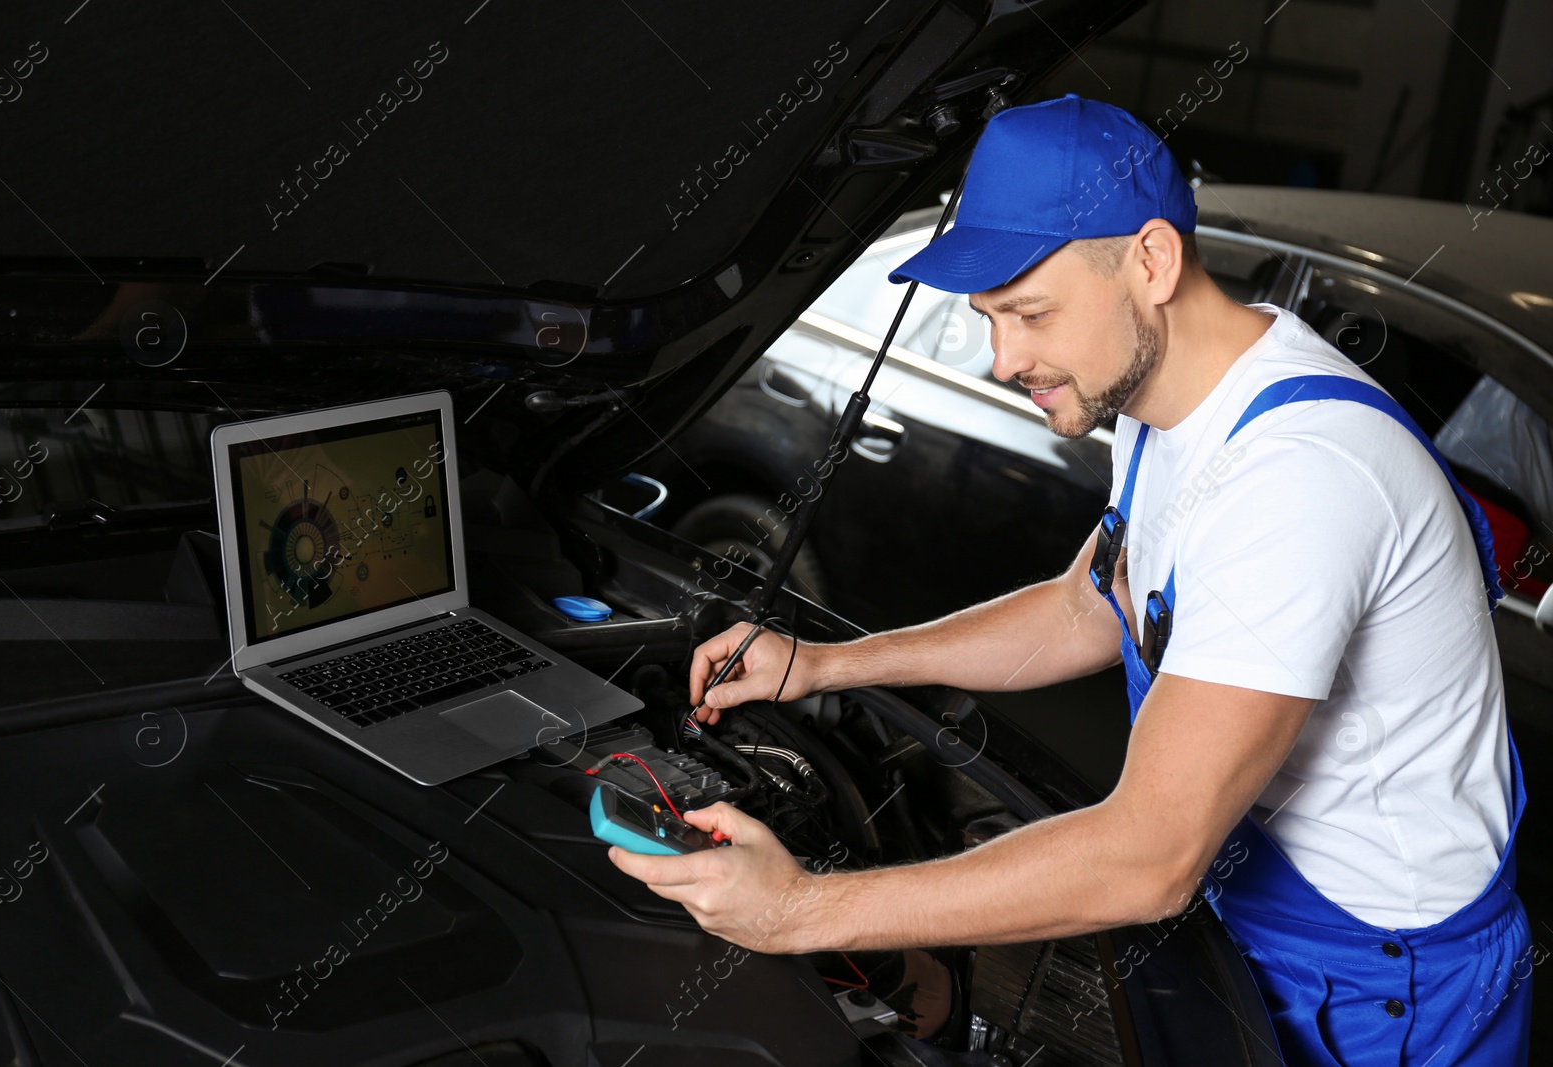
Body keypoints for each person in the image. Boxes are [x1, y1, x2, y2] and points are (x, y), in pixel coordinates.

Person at [609, 95, 1530, 1065]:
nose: (1006, 359)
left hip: (1384, 991)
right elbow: (1085, 606)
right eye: (988, 319)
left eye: (1030, 313)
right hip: (1249, 911)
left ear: (1152, 260)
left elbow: (1147, 856)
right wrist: (828, 666)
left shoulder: (1299, 477)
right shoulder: (1165, 395)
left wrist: (796, 909)